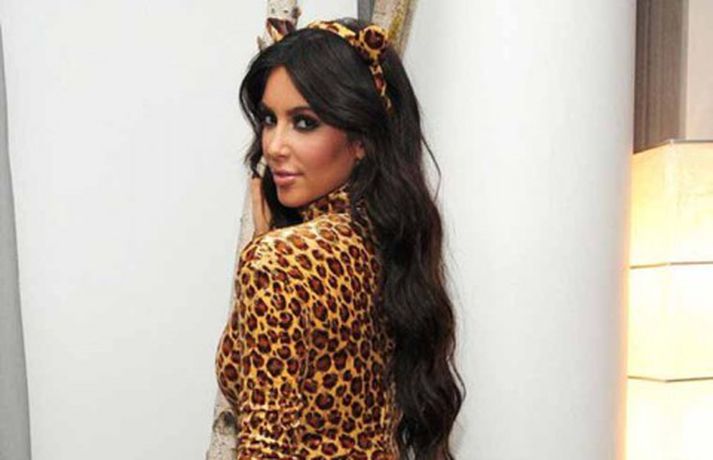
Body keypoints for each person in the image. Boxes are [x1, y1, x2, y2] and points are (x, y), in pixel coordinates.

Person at [215, 17, 464, 460]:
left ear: (360, 138)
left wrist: (266, 248)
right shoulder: (391, 239)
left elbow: (266, 447)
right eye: (269, 119)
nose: (274, 146)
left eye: (304, 122)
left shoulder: (278, 263)